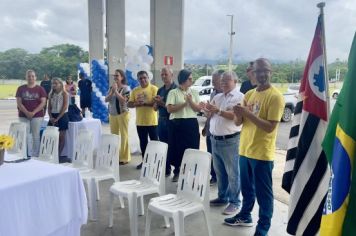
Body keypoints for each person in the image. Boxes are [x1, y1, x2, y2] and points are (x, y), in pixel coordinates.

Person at [225, 58, 285, 236]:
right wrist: (238, 114)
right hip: (245, 150)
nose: (261, 74)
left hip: (262, 155)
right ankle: (245, 215)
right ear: (252, 73)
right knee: (247, 190)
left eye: (265, 70)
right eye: (257, 71)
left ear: (270, 72)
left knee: (264, 195)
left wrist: (247, 113)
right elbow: (238, 123)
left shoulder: (275, 96)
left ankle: (263, 229)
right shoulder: (249, 94)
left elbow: (270, 127)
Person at [205, 71, 244, 215]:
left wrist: (219, 111)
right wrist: (207, 110)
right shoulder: (217, 96)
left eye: (227, 80)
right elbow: (211, 114)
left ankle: (235, 202)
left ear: (235, 81)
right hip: (215, 140)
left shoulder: (240, 97)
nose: (223, 83)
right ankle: (223, 197)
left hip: (231, 141)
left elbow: (235, 116)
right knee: (220, 172)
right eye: (222, 81)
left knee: (233, 173)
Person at [166, 69, 202, 182]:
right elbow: (170, 109)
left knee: (192, 148)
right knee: (177, 148)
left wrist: (190, 101)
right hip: (177, 124)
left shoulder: (194, 92)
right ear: (183, 79)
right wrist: (185, 103)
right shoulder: (173, 92)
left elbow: (198, 109)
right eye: (189, 79)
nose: (192, 81)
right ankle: (177, 172)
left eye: (192, 78)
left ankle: (191, 173)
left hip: (191, 123)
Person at [128, 71, 158, 169]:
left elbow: (155, 104)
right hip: (140, 122)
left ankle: (156, 162)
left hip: (152, 122)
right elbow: (129, 104)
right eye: (140, 78)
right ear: (138, 80)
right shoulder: (135, 90)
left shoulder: (154, 89)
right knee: (143, 143)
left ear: (148, 77)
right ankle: (145, 162)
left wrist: (145, 103)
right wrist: (136, 103)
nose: (143, 80)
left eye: (144, 77)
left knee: (154, 143)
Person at [16, 69, 47, 157]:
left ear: (35, 77)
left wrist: (33, 112)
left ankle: (35, 154)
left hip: (37, 116)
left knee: (35, 135)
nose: (31, 78)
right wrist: (26, 112)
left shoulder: (40, 89)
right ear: (26, 77)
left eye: (32, 76)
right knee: (24, 135)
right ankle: (25, 153)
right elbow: (19, 102)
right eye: (29, 76)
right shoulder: (21, 88)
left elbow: (43, 102)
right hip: (23, 115)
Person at [153, 67, 177, 177]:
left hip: (172, 121)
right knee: (163, 146)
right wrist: (156, 103)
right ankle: (166, 168)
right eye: (162, 74)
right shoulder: (160, 89)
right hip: (161, 120)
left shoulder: (176, 89)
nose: (163, 76)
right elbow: (155, 108)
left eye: (165, 74)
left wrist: (161, 102)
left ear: (171, 75)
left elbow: (172, 108)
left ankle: (177, 170)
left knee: (174, 145)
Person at [202, 69, 224, 185]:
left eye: (215, 81)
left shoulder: (228, 95)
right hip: (211, 130)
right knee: (210, 154)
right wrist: (206, 126)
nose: (213, 83)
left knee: (221, 158)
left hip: (221, 133)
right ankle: (214, 176)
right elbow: (209, 113)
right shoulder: (213, 94)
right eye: (213, 81)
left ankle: (221, 178)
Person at [105, 69, 131, 165]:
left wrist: (116, 91)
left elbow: (124, 101)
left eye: (117, 76)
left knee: (124, 136)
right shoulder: (111, 88)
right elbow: (106, 99)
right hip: (113, 115)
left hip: (123, 114)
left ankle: (124, 158)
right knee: (113, 136)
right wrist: (112, 91)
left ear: (122, 77)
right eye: (114, 76)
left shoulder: (126, 88)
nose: (115, 77)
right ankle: (114, 156)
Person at [47, 78, 69, 160]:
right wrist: (51, 117)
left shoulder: (64, 94)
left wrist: (58, 118)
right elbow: (49, 107)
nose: (54, 85)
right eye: (53, 83)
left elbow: (65, 106)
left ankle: (58, 156)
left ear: (60, 84)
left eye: (56, 83)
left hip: (62, 116)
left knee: (61, 137)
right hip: (53, 116)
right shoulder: (51, 94)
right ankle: (51, 153)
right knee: (51, 136)